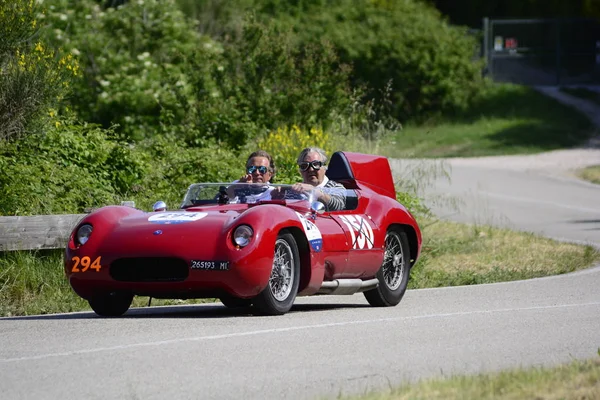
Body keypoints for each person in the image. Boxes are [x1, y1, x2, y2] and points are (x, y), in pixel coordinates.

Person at [280, 147, 346, 211]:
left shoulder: (336, 187)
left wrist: (314, 191)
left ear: (325, 167)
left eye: (316, 164)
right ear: (300, 171)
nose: (311, 169)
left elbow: (338, 207)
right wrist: (278, 196)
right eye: (304, 166)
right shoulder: (295, 190)